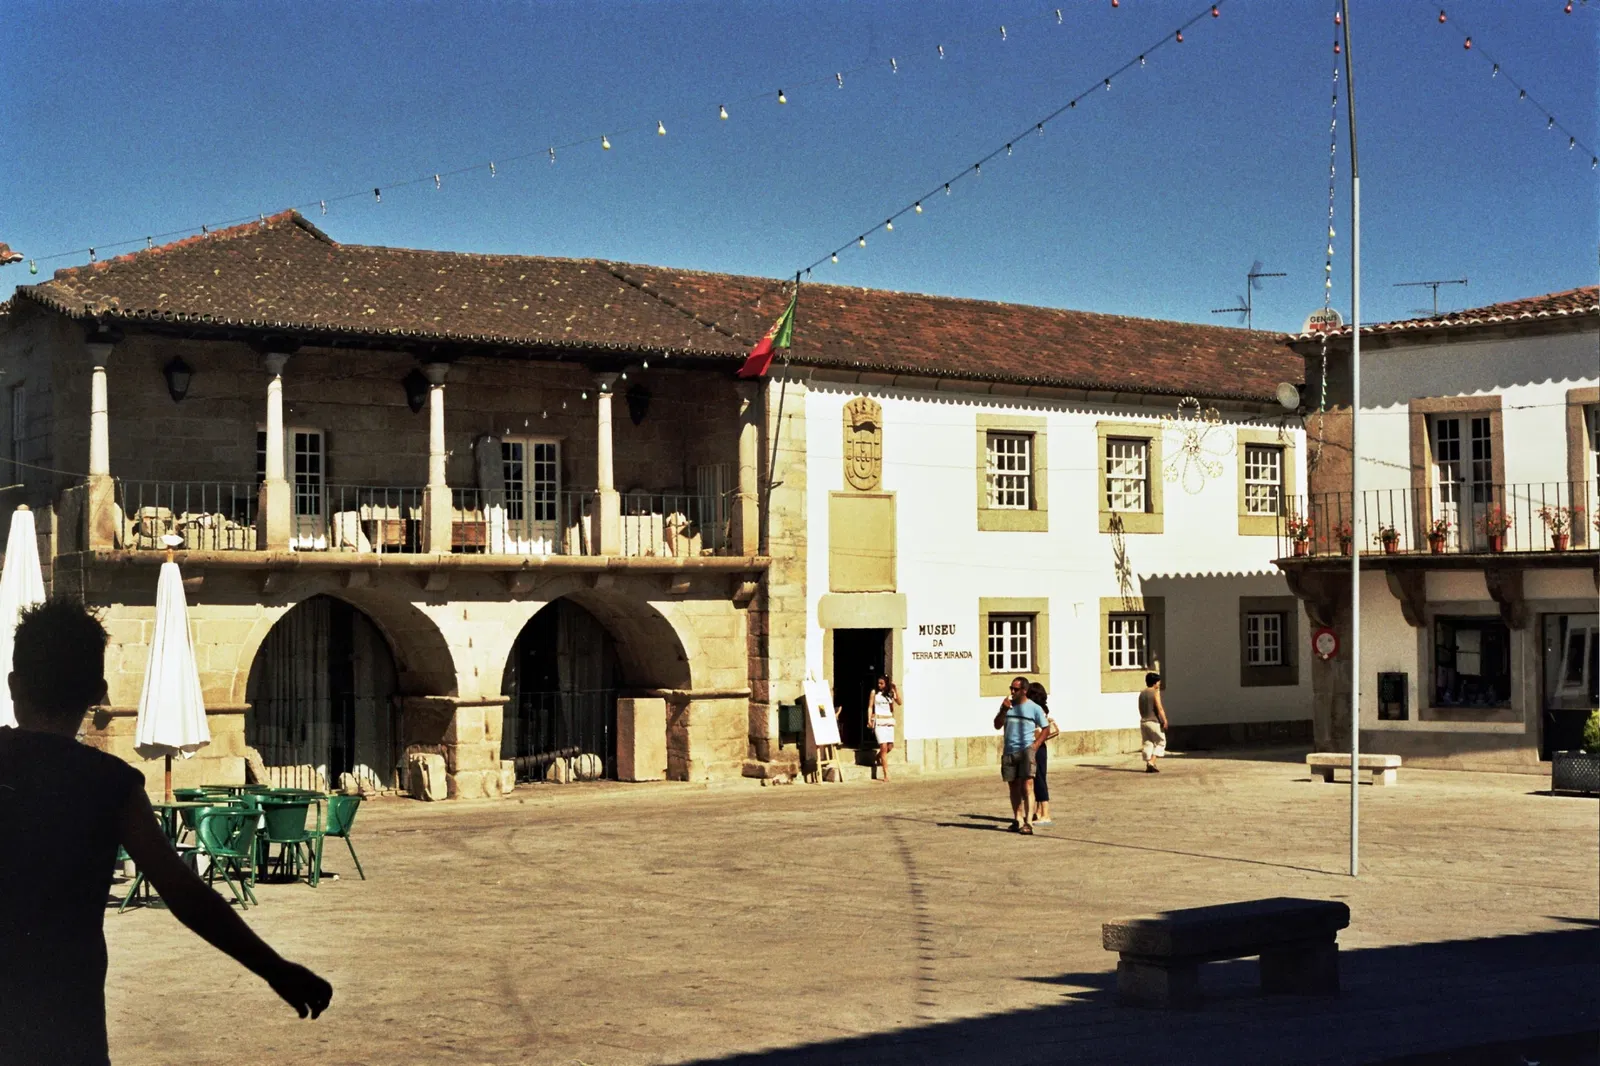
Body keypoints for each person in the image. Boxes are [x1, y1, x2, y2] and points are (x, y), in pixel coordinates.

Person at [0, 598, 332, 1065]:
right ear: (98, 692)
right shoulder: (111, 785)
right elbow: (186, 895)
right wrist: (274, 968)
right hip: (65, 1012)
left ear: (14, 685)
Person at [994, 675, 1049, 834]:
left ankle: (1029, 822)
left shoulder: (1034, 708)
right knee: (1013, 787)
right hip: (1009, 750)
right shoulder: (1008, 706)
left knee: (1027, 786)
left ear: (1024, 691)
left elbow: (1046, 728)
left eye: (1015, 689)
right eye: (1011, 688)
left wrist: (1036, 745)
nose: (1012, 691)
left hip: (1026, 750)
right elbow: (997, 725)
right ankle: (1017, 819)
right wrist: (1003, 710)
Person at [1025, 681, 1055, 825]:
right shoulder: (1042, 709)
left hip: (1037, 747)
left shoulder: (1037, 710)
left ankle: (1046, 813)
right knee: (1038, 778)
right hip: (1040, 747)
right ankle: (1038, 812)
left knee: (1040, 779)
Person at [870, 674, 900, 782]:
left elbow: (899, 703)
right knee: (883, 747)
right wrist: (869, 720)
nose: (879, 685)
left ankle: (878, 757)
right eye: (878, 683)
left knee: (890, 747)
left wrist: (895, 690)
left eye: (882, 683)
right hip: (879, 722)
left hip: (888, 721)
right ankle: (886, 774)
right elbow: (870, 707)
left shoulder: (890, 694)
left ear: (886, 684)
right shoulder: (874, 693)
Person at [1139, 671, 1170, 773]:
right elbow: (1159, 708)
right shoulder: (1154, 692)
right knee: (1161, 741)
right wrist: (1164, 720)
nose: (1159, 684)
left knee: (1148, 743)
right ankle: (1152, 762)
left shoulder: (1142, 693)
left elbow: (1140, 708)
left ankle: (1149, 763)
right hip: (1153, 721)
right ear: (1155, 682)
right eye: (1158, 682)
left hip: (1143, 721)